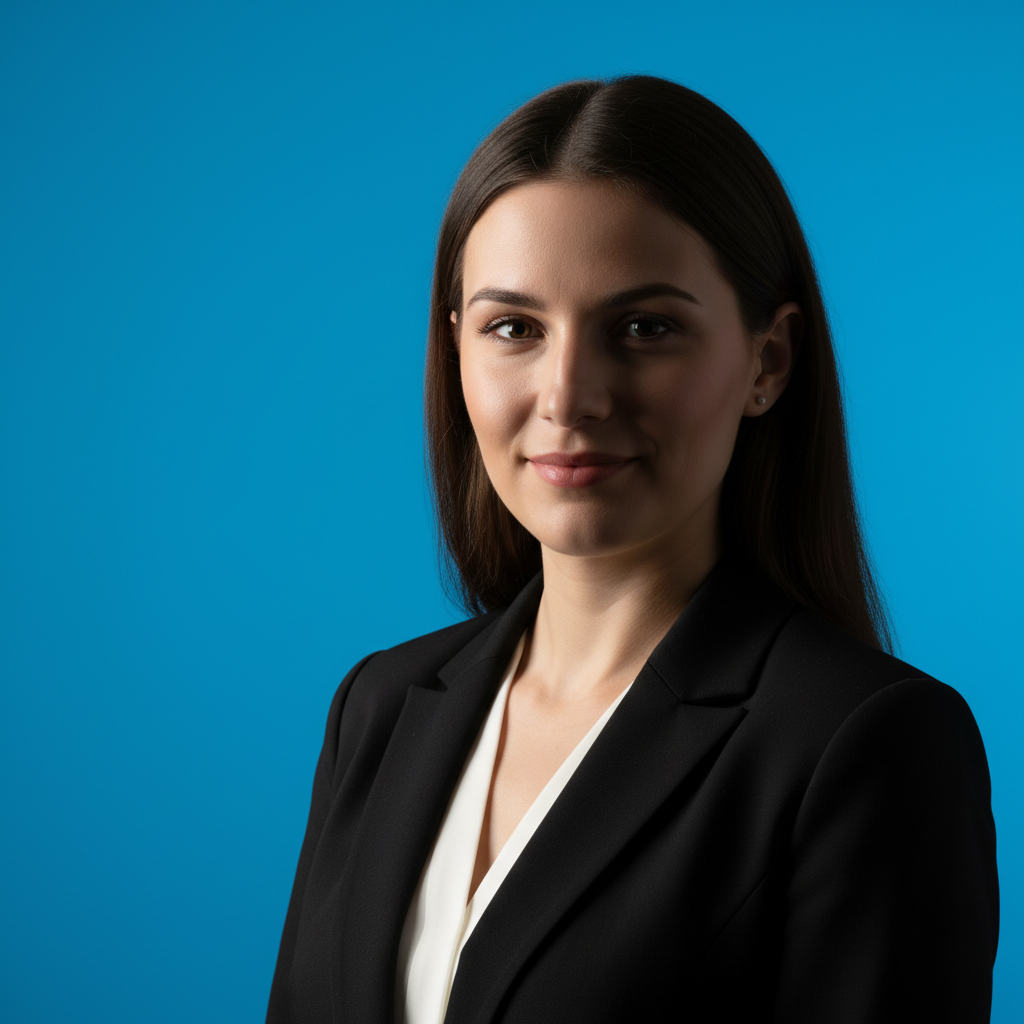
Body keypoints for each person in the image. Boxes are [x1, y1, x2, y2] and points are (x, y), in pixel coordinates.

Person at [266, 76, 998, 1024]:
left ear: (767, 363)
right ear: (456, 353)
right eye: (514, 329)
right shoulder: (378, 708)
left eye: (644, 329)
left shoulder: (866, 745)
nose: (569, 396)